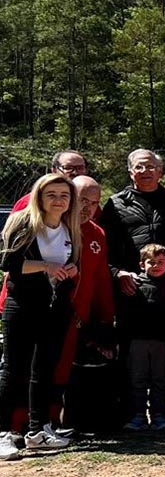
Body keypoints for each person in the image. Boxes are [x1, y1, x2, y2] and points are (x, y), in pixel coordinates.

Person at [0, 174, 81, 458]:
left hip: (55, 307)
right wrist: (46, 266)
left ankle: (38, 430)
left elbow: (72, 262)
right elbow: (9, 263)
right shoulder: (23, 222)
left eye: (64, 195)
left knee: (44, 369)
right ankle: (4, 432)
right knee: (14, 369)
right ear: (39, 197)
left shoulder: (70, 227)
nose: (58, 200)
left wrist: (72, 270)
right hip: (23, 305)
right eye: (51, 194)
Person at [52, 175, 114, 430]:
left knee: (63, 371)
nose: (88, 207)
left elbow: (101, 281)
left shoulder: (97, 234)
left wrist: (105, 320)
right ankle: (19, 424)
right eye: (83, 200)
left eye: (95, 202)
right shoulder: (50, 228)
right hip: (44, 314)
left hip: (76, 318)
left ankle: (54, 422)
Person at [99, 149, 165, 298]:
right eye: (139, 167)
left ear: (159, 172)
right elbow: (105, 244)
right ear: (131, 172)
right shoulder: (115, 204)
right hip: (132, 284)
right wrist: (117, 273)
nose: (145, 171)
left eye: (150, 166)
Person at [118, 244, 165, 431]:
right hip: (138, 341)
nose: (156, 266)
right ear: (141, 265)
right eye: (151, 262)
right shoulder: (134, 284)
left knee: (161, 379)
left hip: (162, 341)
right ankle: (138, 416)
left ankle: (159, 415)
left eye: (160, 262)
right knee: (137, 379)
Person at [11, 150, 89, 213]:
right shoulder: (30, 201)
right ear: (54, 170)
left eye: (80, 168)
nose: (75, 172)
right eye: (68, 168)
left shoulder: (90, 201)